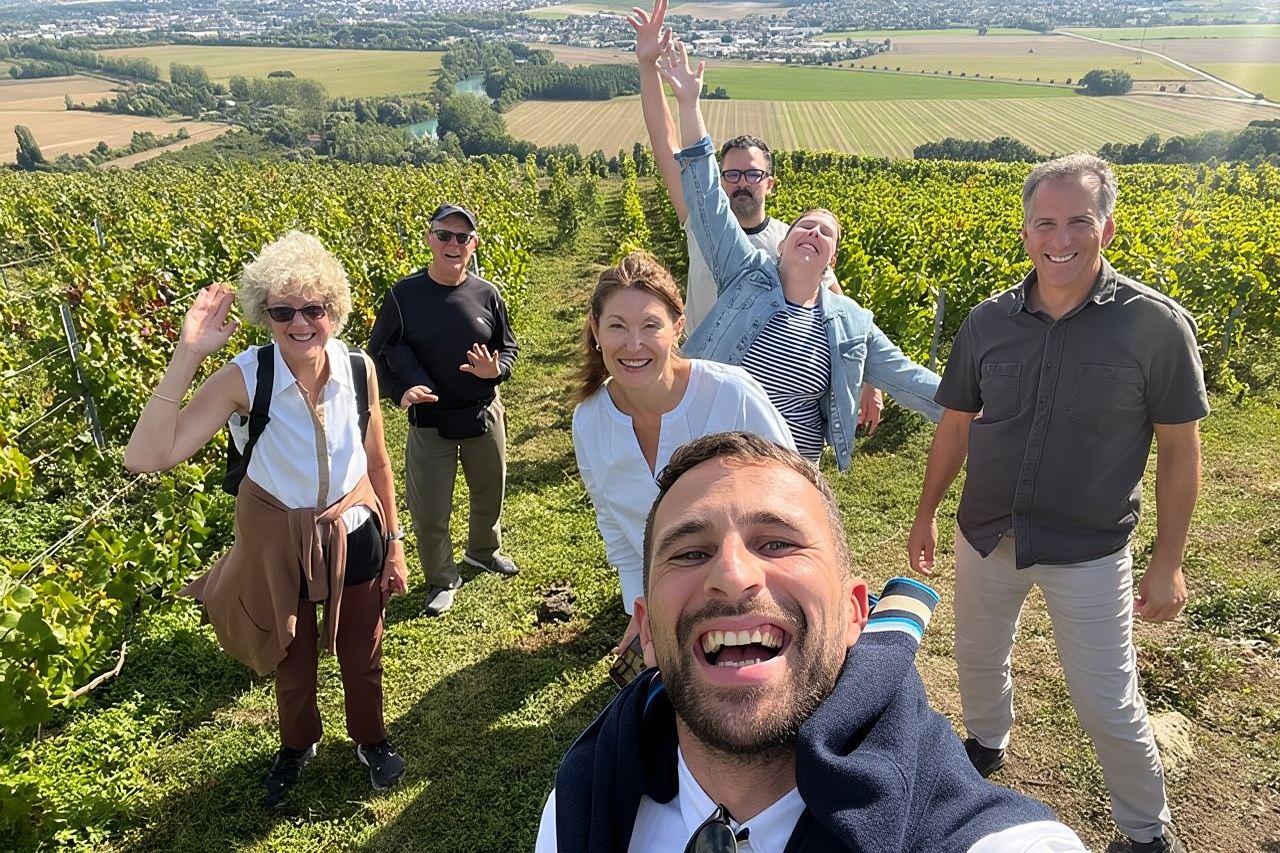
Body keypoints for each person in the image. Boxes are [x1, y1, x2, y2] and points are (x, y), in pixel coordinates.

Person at [536, 432, 1087, 851]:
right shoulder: (575, 811)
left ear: (854, 616)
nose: (733, 574)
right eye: (690, 552)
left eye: (776, 542)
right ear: (648, 630)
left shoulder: (984, 837)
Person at [906, 154, 1208, 853]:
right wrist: (926, 512)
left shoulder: (1155, 326)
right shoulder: (987, 322)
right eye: (1046, 221)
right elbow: (955, 425)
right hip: (986, 532)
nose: (1061, 237)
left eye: (1078, 220)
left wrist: (1169, 561)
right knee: (979, 657)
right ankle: (987, 741)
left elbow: (1181, 449)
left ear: (1106, 225)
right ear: (1025, 231)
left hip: (1091, 546)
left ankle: (1144, 829)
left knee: (1107, 700)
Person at [123, 231, 409, 808]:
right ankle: (297, 744)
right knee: (292, 652)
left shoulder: (359, 368)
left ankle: (371, 739)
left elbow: (377, 459)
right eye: (283, 312)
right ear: (264, 315)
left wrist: (396, 540)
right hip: (278, 537)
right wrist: (189, 353)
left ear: (335, 308)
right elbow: (145, 456)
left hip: (356, 528)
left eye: (314, 309)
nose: (300, 323)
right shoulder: (245, 377)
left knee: (363, 647)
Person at [654, 40, 942, 468]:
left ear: (831, 260)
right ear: (783, 242)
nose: (814, 232)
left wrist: (984, 412)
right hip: (720, 462)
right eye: (806, 225)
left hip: (793, 475)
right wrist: (689, 104)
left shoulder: (849, 323)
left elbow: (912, 381)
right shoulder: (745, 276)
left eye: (827, 232)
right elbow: (709, 196)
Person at [627, 0, 886, 433]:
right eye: (730, 173)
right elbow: (664, 140)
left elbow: (840, 312)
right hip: (702, 380)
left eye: (752, 173)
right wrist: (647, 65)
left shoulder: (795, 243)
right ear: (718, 180)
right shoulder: (699, 220)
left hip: (776, 397)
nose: (740, 182)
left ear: (770, 183)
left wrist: (869, 383)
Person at [572, 250, 795, 653]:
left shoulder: (731, 394)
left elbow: (795, 497)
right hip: (673, 600)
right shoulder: (589, 421)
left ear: (677, 327)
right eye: (617, 326)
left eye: (650, 325)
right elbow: (617, 530)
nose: (634, 344)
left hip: (752, 587)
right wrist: (642, 610)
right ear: (596, 329)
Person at [368, 202, 520, 617]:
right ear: (429, 239)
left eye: (462, 237)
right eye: (444, 235)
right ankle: (441, 577)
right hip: (430, 421)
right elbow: (375, 357)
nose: (453, 244)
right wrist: (399, 391)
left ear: (473, 244)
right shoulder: (404, 296)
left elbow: (508, 346)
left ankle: (482, 552)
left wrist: (496, 370)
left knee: (490, 489)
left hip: (483, 412)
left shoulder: (487, 293)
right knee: (431, 507)